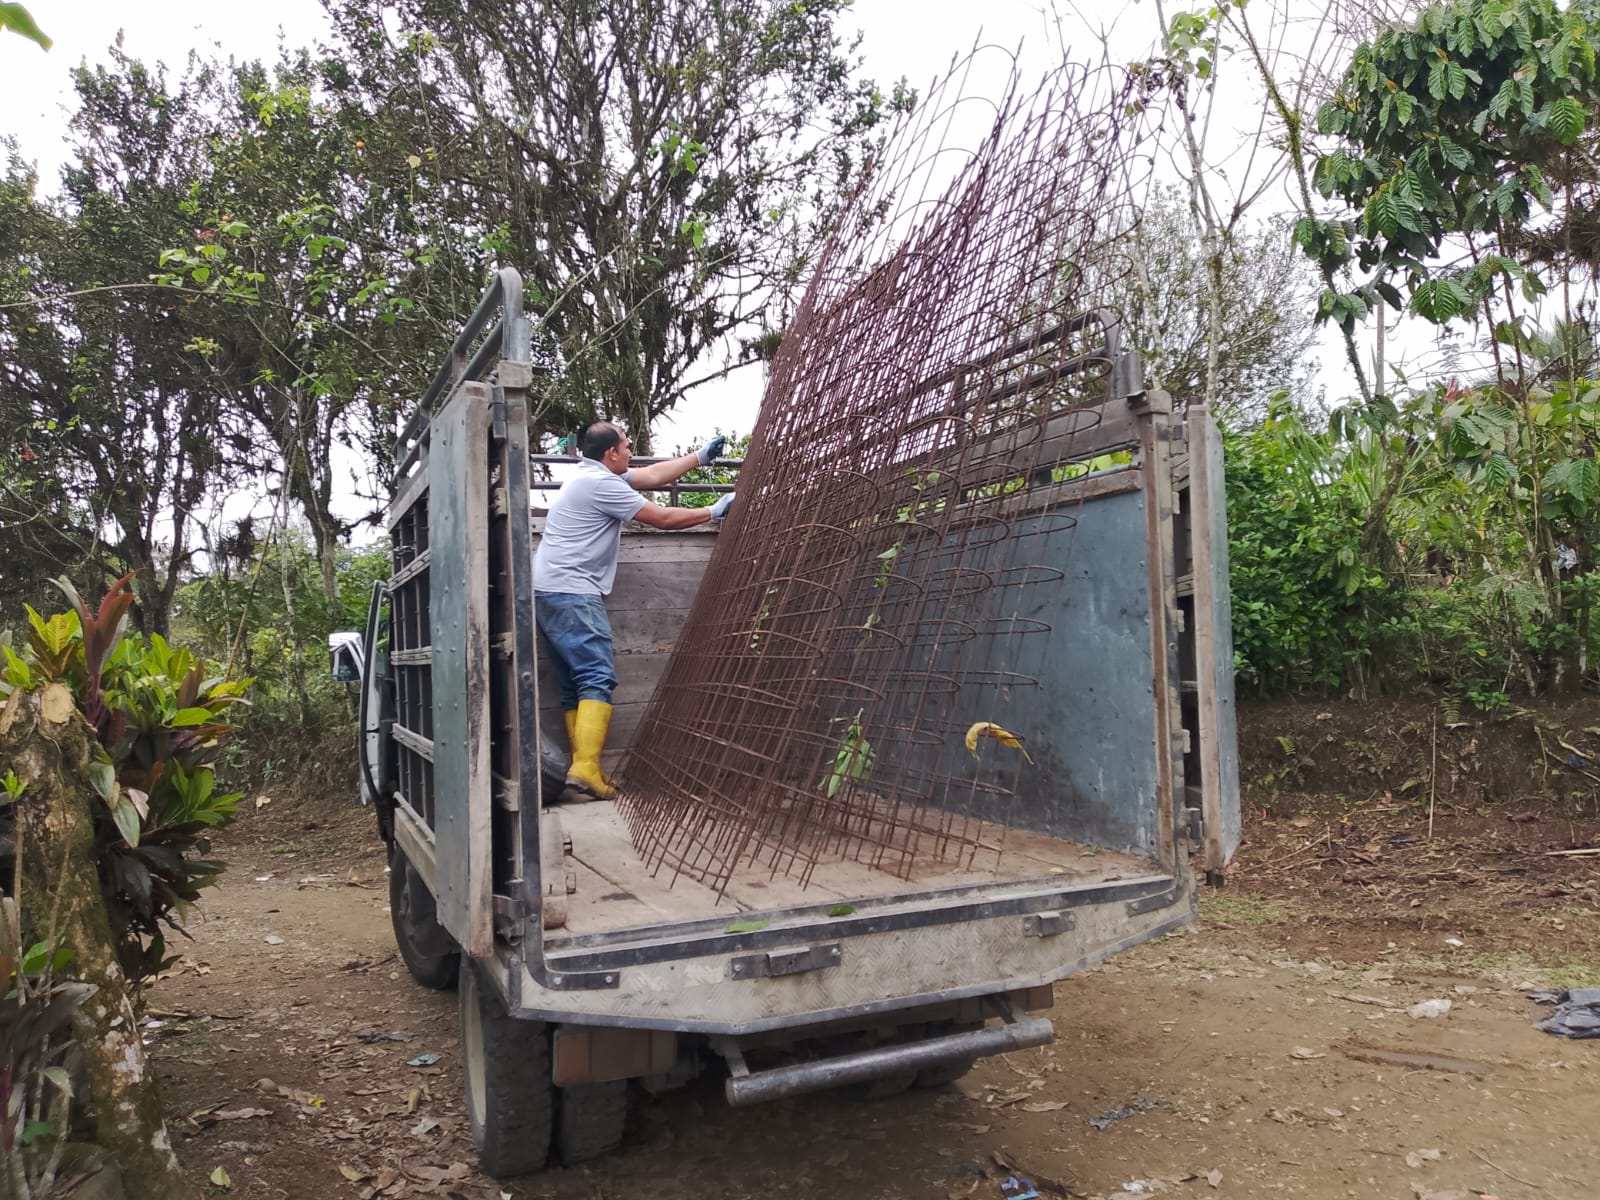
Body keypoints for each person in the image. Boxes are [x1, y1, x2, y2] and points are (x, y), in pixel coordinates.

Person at [534, 421, 735, 801]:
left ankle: (585, 767)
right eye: (626, 446)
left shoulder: (590, 475)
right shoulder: (601, 484)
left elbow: (651, 475)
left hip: (550, 590)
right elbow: (662, 519)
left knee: (575, 684)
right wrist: (714, 510)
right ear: (611, 452)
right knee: (596, 676)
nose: (630, 451)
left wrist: (699, 457)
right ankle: (585, 767)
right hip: (573, 591)